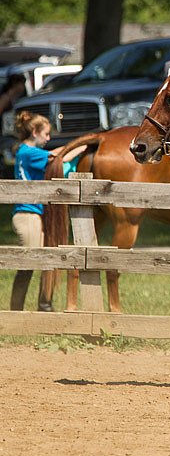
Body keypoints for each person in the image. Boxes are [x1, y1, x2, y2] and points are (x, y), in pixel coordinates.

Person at [10, 111, 85, 311]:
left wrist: (73, 145)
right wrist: (84, 145)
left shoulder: (24, 151)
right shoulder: (28, 152)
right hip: (28, 214)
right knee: (28, 263)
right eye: (46, 134)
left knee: (42, 261)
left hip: (34, 213)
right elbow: (60, 157)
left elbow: (56, 152)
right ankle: (15, 311)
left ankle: (41, 307)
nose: (48, 138)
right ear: (35, 132)